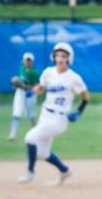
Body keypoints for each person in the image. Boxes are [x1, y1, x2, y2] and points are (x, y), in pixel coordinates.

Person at [19, 41, 89, 185]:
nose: (60, 58)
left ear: (69, 59)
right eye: (57, 55)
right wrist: (31, 91)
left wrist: (79, 111)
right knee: (43, 153)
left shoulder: (74, 77)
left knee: (30, 138)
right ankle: (65, 171)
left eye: (64, 55)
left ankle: (30, 172)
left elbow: (85, 96)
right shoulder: (48, 72)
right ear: (54, 57)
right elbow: (42, 87)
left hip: (59, 119)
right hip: (45, 115)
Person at [8, 52, 39, 141]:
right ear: (23, 61)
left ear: (32, 62)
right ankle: (12, 134)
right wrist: (17, 85)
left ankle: (36, 132)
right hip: (20, 93)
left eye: (29, 60)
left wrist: (25, 87)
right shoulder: (22, 69)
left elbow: (36, 86)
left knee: (31, 114)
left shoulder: (34, 73)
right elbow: (20, 81)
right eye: (26, 60)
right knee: (16, 113)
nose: (27, 62)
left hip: (30, 94)